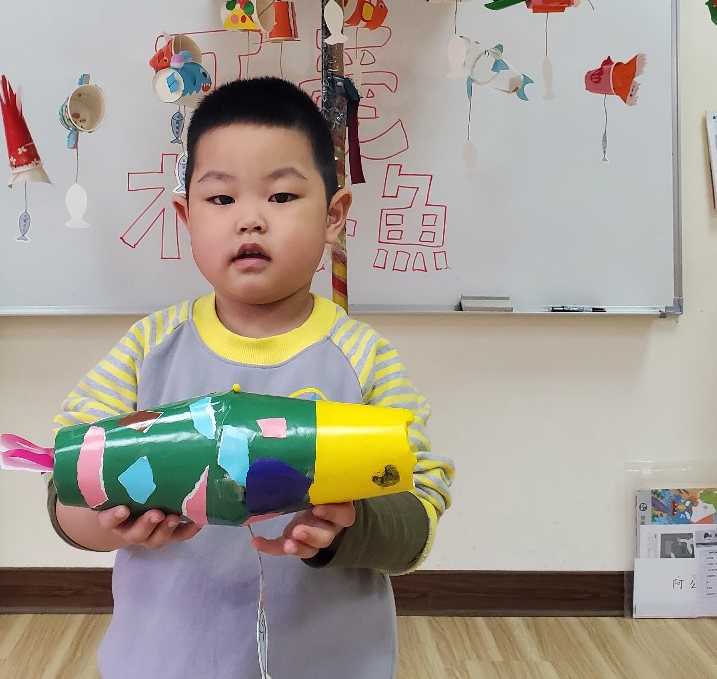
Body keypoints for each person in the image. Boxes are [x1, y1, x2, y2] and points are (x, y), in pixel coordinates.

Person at [49, 75, 454, 679]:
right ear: (186, 216)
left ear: (334, 216)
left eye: (282, 196)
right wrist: (108, 523)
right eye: (221, 199)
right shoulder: (146, 350)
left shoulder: (363, 358)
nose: (251, 221)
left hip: (330, 664)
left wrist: (350, 528)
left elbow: (418, 514)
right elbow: (65, 490)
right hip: (164, 662)